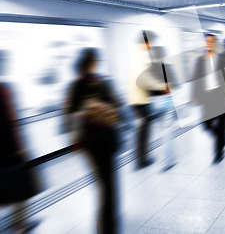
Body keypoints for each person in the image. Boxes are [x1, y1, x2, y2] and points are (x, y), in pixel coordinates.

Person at [67, 48, 120, 234]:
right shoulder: (102, 83)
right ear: (95, 62)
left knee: (101, 183)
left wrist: (76, 139)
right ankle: (106, 226)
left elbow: (69, 117)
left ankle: (102, 224)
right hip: (105, 140)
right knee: (108, 185)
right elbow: (116, 108)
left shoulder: (75, 86)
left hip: (87, 143)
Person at [0, 50, 42, 234]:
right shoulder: (5, 90)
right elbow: (13, 123)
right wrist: (23, 151)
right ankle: (20, 227)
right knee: (21, 190)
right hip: (10, 151)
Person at [129, 30, 169, 169]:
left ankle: (142, 158)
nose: (152, 45)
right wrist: (161, 86)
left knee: (143, 130)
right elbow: (143, 79)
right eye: (151, 42)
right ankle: (141, 160)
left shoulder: (136, 55)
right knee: (143, 130)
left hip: (138, 98)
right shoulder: (142, 55)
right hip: (140, 100)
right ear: (147, 42)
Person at [192, 34, 225, 163]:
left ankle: (218, 152)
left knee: (221, 123)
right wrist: (195, 96)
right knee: (206, 124)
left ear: (216, 44)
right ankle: (222, 136)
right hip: (206, 96)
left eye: (212, 42)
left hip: (220, 96)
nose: (209, 44)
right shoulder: (200, 60)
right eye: (207, 42)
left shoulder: (223, 59)